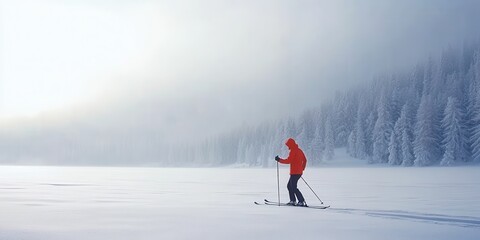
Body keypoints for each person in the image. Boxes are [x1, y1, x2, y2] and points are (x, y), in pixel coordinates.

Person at [275, 138, 307, 206]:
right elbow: (305, 160)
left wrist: (279, 160)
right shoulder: (299, 150)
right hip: (298, 172)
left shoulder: (293, 151)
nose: (287, 146)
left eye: (288, 145)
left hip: (295, 173)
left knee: (293, 187)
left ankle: (301, 201)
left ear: (291, 144)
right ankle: (293, 201)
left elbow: (289, 161)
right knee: (290, 186)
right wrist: (302, 169)